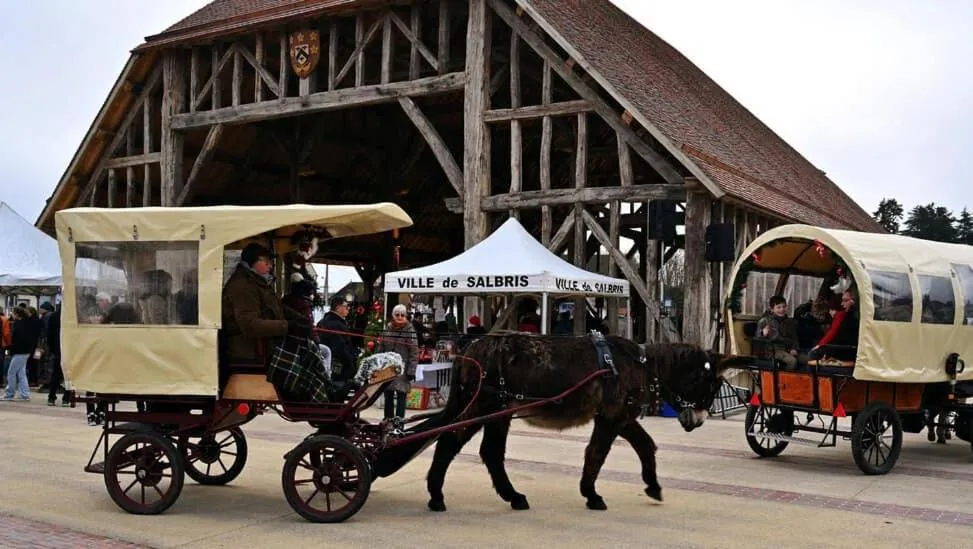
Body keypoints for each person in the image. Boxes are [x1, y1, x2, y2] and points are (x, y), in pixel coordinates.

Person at [222, 243, 304, 368]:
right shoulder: (243, 286)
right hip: (249, 355)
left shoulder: (257, 282)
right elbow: (249, 324)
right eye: (266, 262)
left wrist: (298, 318)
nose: (270, 266)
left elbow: (273, 306)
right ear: (252, 262)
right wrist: (288, 326)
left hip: (264, 350)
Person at [376, 304, 418, 419]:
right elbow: (380, 348)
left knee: (401, 395)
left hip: (403, 369)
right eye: (397, 314)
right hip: (388, 367)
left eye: (402, 315)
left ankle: (399, 423)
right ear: (393, 315)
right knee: (388, 394)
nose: (399, 317)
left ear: (406, 316)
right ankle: (388, 420)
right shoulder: (387, 329)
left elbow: (414, 352)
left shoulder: (410, 331)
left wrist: (411, 371)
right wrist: (379, 365)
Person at [808, 289, 859, 362]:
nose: (842, 304)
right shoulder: (848, 314)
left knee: (812, 354)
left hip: (845, 349)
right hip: (842, 347)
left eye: (845, 300)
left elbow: (835, 333)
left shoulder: (851, 316)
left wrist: (820, 345)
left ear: (853, 301)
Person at [316, 295, 357, 386]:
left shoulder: (323, 322)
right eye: (346, 307)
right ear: (338, 308)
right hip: (338, 367)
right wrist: (350, 364)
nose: (348, 309)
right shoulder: (336, 325)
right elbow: (340, 347)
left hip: (325, 365)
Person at [3, 308, 38, 401]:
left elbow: (19, 339)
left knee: (11, 372)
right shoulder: (27, 323)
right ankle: (24, 394)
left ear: (17, 314)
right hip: (26, 351)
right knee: (21, 373)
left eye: (13, 313)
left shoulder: (19, 324)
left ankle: (9, 394)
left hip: (19, 352)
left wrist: (10, 347)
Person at [756, 295, 798, 370]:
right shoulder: (765, 321)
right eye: (778, 307)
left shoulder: (789, 322)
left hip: (787, 349)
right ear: (772, 309)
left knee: (808, 359)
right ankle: (784, 377)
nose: (782, 309)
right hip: (772, 350)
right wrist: (763, 333)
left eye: (784, 306)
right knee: (792, 361)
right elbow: (757, 337)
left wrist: (793, 348)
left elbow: (794, 338)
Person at [46, 303, 67, 406]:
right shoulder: (71, 316)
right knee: (68, 375)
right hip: (69, 349)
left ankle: (51, 397)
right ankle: (66, 398)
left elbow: (49, 334)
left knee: (55, 374)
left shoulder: (53, 316)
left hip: (57, 348)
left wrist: (53, 348)